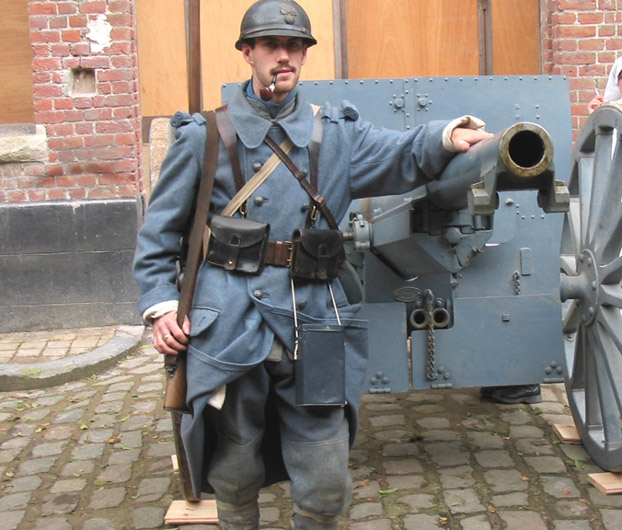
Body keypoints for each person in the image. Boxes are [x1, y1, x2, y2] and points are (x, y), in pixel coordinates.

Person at [133, 1, 491, 528]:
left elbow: (402, 153)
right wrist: (162, 307)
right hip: (228, 315)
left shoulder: (336, 135)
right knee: (233, 466)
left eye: (295, 46)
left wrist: (446, 136)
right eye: (273, 45)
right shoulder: (204, 137)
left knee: (326, 479)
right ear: (247, 52)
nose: (285, 55)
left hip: (315, 312)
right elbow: (160, 233)